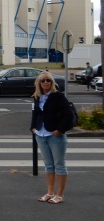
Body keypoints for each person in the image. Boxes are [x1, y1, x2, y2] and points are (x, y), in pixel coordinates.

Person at [30, 72, 74, 204]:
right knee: (48, 165)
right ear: (39, 83)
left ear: (52, 82)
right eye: (43, 81)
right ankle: (50, 192)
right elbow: (35, 114)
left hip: (55, 135)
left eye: (48, 80)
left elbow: (68, 115)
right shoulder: (37, 96)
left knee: (59, 165)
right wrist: (33, 127)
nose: (45, 83)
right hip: (41, 134)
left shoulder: (58, 96)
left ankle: (59, 195)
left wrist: (60, 130)